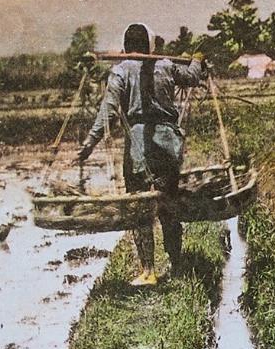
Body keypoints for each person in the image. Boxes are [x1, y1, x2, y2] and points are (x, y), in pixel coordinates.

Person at [77, 23, 206, 285]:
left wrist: (89, 145)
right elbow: (192, 77)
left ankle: (148, 271)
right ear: (148, 47)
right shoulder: (166, 65)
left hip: (139, 148)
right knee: (168, 204)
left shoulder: (120, 71)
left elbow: (109, 111)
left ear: (125, 49)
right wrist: (197, 61)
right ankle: (177, 265)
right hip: (168, 143)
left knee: (139, 209)